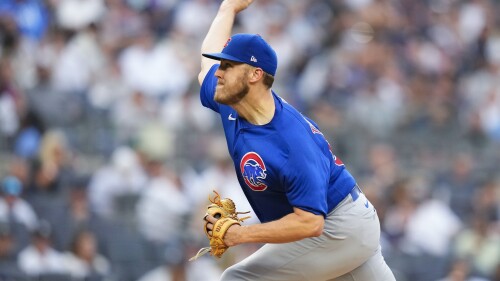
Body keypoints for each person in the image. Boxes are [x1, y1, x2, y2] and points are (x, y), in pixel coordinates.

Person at [197, 1, 396, 280]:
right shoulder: (232, 102)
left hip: (336, 227)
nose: (219, 72)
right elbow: (204, 67)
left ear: (255, 75)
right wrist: (227, 10)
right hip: (345, 229)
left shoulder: (290, 142)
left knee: (238, 278)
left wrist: (240, 234)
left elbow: (310, 222)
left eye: (228, 66)